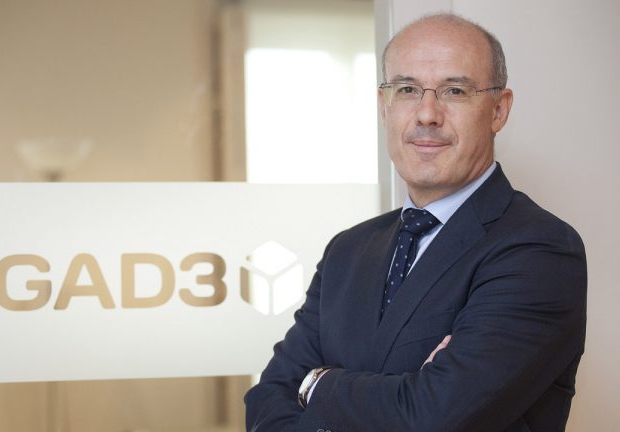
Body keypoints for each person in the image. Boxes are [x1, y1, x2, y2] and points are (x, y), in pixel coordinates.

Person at [245, 12, 586, 432]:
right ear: (384, 107)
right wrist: (404, 393)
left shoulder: (538, 251)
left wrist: (317, 384)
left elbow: (432, 418)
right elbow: (265, 401)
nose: (427, 114)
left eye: (455, 91)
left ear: (498, 110)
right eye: (407, 89)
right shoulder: (348, 250)